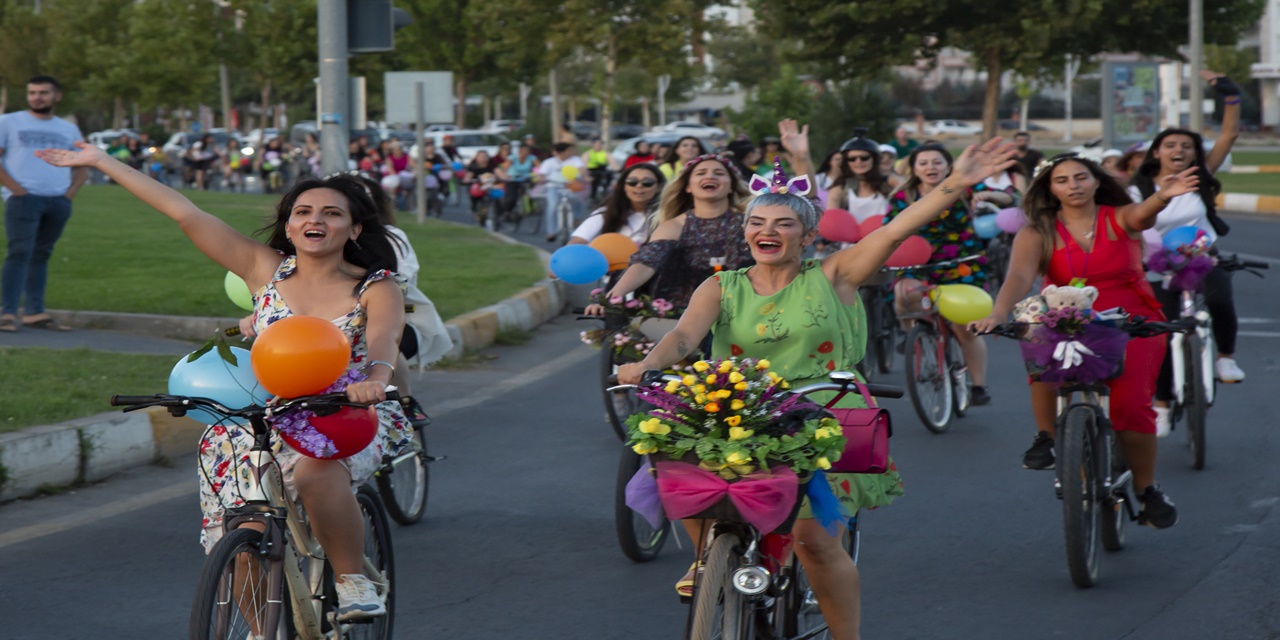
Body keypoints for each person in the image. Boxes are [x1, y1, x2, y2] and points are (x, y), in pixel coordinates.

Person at [618, 126, 1018, 639]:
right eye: (758, 222)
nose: (768, 231)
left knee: (812, 541)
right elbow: (682, 336)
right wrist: (646, 364)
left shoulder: (834, 274)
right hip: (739, 404)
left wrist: (956, 183)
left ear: (807, 237)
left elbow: (893, 232)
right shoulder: (722, 285)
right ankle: (708, 557)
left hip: (823, 408)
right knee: (678, 464)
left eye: (784, 224)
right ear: (746, 232)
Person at [37, 142, 415, 620]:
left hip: (342, 410)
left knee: (317, 474)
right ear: (290, 225)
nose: (314, 219)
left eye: (331, 213)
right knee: (244, 533)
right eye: (302, 211)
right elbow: (183, 212)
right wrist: (100, 162)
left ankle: (351, 578)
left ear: (354, 228)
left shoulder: (375, 284)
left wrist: (376, 379)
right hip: (269, 413)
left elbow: (385, 337)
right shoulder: (264, 270)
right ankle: (260, 633)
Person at [970, 154, 1198, 530]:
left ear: (1096, 182)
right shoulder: (1036, 230)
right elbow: (1019, 276)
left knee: (1129, 406)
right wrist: (997, 313)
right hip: (1064, 313)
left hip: (1129, 317)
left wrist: (1163, 197)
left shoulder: (1119, 216)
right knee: (1040, 351)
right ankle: (1046, 436)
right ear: (1050, 188)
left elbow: (1143, 216)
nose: (1073, 185)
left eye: (1081, 177)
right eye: (1062, 180)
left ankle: (1147, 489)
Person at [1128, 71, 1245, 431]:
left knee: (1221, 299)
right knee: (1159, 332)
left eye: (1186, 146)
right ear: (1156, 152)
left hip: (1200, 257)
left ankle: (1225, 358)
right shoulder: (1138, 189)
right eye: (1170, 145)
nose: (1178, 151)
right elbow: (1131, 227)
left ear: (1195, 153)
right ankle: (1161, 404)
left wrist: (1230, 94)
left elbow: (1228, 134)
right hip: (1157, 266)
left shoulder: (1200, 178)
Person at [887, 143, 1000, 405]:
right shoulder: (902, 196)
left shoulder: (965, 186)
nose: (930, 168)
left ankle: (978, 386)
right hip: (917, 263)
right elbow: (888, 230)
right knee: (902, 294)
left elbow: (1007, 198)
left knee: (964, 328)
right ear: (914, 168)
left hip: (960, 263)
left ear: (948, 166)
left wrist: (989, 198)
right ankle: (915, 333)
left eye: (937, 162)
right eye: (923, 163)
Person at [585, 151, 751, 315]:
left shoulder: (751, 222)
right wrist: (612, 297)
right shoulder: (674, 226)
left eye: (719, 173)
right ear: (688, 187)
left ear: (731, 186)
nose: (710, 177)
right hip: (686, 317)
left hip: (743, 312)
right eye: (701, 173)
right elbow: (645, 263)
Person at [0, 75, 88, 333]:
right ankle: (6, 312)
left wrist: (69, 193)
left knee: (42, 254)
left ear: (56, 96)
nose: (37, 97)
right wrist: (17, 190)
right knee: (19, 252)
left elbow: (84, 164)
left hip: (58, 200)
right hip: (23, 199)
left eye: (43, 92)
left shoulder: (68, 128)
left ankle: (34, 312)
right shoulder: (9, 121)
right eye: (32, 92)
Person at [568, 163, 663, 247]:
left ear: (658, 187)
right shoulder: (606, 212)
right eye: (632, 182)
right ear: (624, 186)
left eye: (647, 183)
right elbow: (577, 241)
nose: (639, 186)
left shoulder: (667, 215)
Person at [826, 130, 893, 225]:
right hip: (848, 238)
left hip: (885, 237)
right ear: (846, 162)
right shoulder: (840, 187)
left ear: (874, 159)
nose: (858, 162)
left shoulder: (889, 182)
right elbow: (831, 220)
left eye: (864, 158)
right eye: (852, 159)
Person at [535, 142, 587, 242]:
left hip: (570, 186)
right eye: (568, 150)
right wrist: (541, 179)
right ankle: (551, 231)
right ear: (561, 152)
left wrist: (583, 176)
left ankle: (576, 218)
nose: (571, 152)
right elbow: (541, 174)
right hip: (553, 187)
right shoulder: (549, 162)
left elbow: (582, 170)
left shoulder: (575, 160)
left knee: (579, 199)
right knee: (553, 206)